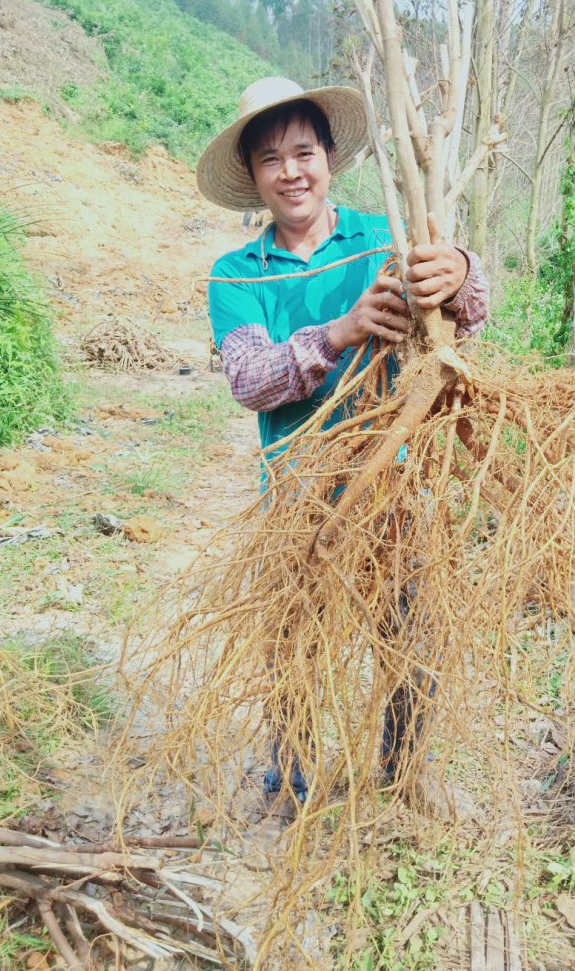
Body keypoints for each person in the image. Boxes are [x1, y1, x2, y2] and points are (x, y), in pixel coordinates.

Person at [197, 77, 489, 816]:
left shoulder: (382, 236)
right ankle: (289, 777)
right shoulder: (237, 275)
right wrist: (338, 332)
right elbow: (251, 380)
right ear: (255, 179)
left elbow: (464, 322)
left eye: (303, 152)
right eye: (271, 160)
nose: (291, 171)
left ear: (329, 158)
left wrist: (458, 272)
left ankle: (402, 776)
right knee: (293, 641)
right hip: (296, 493)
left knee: (407, 633)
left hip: (394, 484)